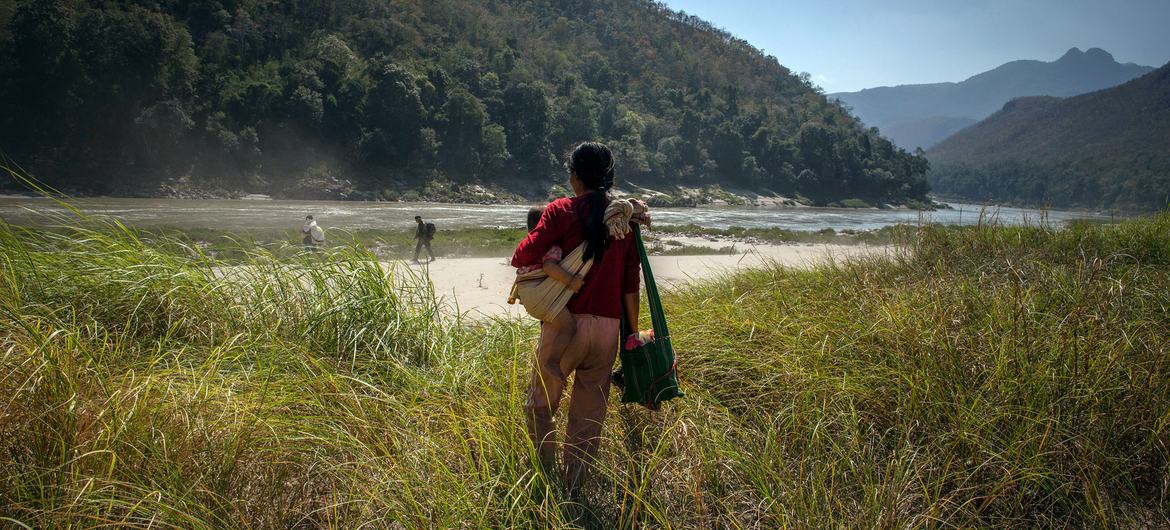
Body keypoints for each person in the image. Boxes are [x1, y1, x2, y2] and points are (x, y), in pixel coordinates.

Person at [511, 142, 641, 492]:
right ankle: (576, 487)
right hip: (608, 330)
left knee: (541, 403)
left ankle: (543, 478)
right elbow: (631, 283)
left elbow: (522, 254)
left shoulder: (560, 211)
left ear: (575, 176)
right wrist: (631, 335)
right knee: (588, 415)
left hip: (564, 324)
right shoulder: (624, 220)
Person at [513, 206, 586, 384]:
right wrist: (570, 281)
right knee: (568, 327)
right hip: (541, 297)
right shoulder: (552, 247)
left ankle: (545, 371)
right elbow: (549, 267)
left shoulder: (529, 245)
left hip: (530, 294)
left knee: (546, 331)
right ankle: (552, 362)